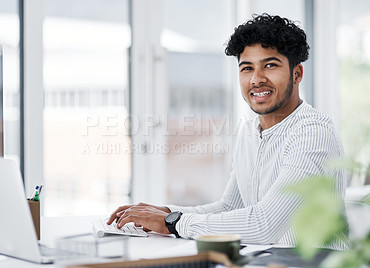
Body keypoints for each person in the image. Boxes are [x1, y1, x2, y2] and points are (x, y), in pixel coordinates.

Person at [108, 13, 348, 249]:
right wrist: (167, 213)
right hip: (272, 262)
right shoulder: (249, 131)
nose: (256, 79)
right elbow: (230, 208)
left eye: (270, 65)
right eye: (247, 68)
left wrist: (172, 223)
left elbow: (264, 225)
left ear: (297, 74)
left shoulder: (312, 133)